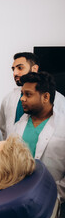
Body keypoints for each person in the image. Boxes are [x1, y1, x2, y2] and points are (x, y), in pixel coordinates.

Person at [9, 72, 65, 203]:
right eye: (22, 94)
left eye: (28, 94)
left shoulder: (62, 126)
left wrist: (54, 195)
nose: (22, 98)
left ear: (45, 97)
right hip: (17, 198)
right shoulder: (17, 126)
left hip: (54, 200)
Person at [0, 52, 65, 138]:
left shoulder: (58, 99)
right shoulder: (8, 98)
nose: (15, 73)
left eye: (20, 68)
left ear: (34, 68)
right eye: (13, 69)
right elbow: (2, 130)